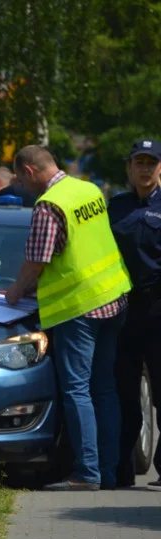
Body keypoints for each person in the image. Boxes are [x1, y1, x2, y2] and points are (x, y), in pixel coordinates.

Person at [5, 145, 132, 491]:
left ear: (30, 172)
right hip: (113, 298)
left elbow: (37, 260)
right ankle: (110, 471)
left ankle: (86, 473)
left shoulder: (49, 205)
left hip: (80, 308)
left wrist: (16, 290)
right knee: (104, 387)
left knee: (77, 390)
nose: (18, 182)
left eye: (18, 176)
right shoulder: (88, 189)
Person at [109, 139, 161, 490]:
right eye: (138, 163)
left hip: (159, 308)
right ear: (128, 168)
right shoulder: (116, 207)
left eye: (151, 163)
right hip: (124, 311)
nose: (144, 169)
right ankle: (121, 470)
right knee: (124, 393)